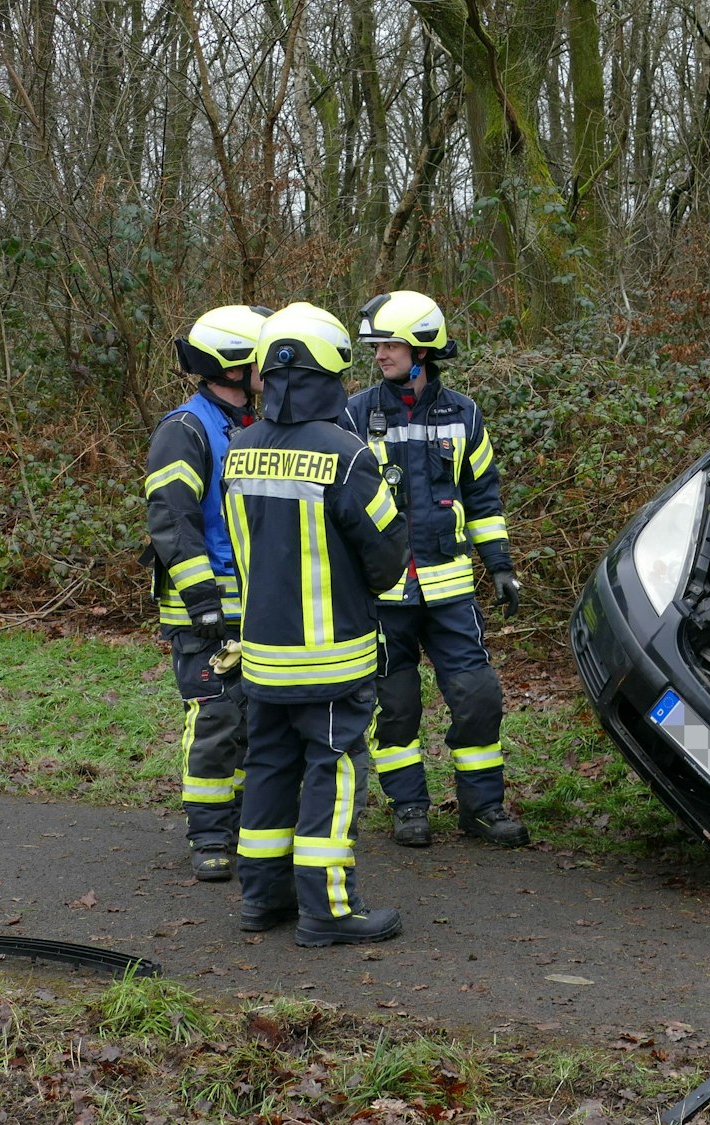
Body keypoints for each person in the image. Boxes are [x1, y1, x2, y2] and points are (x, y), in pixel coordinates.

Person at [225, 302, 411, 947]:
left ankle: (261, 899)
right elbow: (387, 554)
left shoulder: (239, 449)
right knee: (334, 771)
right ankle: (328, 910)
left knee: (270, 766)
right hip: (331, 655)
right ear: (329, 367)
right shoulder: (348, 454)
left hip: (261, 654)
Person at [341, 291, 529, 849]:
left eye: (390, 343)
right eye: (376, 345)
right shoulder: (354, 414)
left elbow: (483, 495)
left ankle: (483, 809)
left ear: (422, 348)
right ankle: (409, 808)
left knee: (477, 698)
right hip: (382, 594)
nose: (379, 354)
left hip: (449, 591)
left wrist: (500, 566)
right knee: (394, 707)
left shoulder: (464, 414)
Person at [143, 304, 270, 882]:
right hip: (208, 612)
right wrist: (202, 603)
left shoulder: (248, 427)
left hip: (257, 606)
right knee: (217, 718)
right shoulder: (186, 430)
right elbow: (172, 521)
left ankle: (246, 822)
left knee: (255, 720)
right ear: (236, 365)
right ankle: (210, 833)